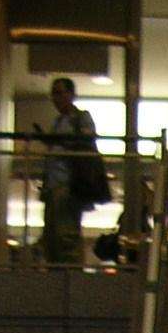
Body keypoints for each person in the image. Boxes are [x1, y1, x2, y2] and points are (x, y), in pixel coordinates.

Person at [37, 77, 99, 267]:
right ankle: (56, 272)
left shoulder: (80, 118)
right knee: (52, 236)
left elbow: (84, 143)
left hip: (69, 182)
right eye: (53, 94)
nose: (55, 99)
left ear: (71, 94)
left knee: (66, 234)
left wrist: (58, 141)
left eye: (59, 93)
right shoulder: (59, 121)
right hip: (53, 183)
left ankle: (70, 274)